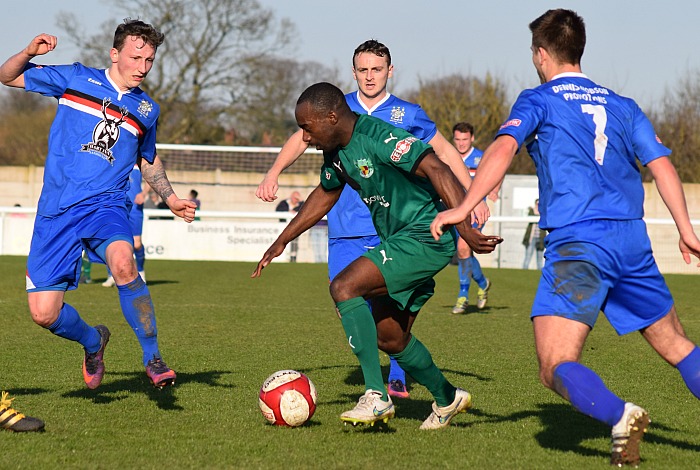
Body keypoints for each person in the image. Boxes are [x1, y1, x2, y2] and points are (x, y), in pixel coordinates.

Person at [430, 9, 700, 466]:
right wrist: (686, 230)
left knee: (555, 363)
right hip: (631, 240)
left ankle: (621, 415)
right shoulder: (623, 103)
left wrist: (462, 204)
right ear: (580, 50)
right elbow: (662, 166)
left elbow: (502, 148)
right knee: (678, 346)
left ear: (540, 54)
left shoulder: (539, 99)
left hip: (579, 243)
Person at [253, 82, 502, 428]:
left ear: (331, 116)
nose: (305, 136)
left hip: (425, 234)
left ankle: (375, 395)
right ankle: (447, 398)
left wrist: (462, 223)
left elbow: (437, 168)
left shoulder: (379, 136)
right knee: (390, 337)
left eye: (307, 127)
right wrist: (282, 240)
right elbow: (325, 194)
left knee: (344, 287)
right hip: (400, 238)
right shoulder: (336, 151)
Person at [0, 20, 197, 389]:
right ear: (114, 53)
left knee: (124, 264)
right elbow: (7, 77)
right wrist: (28, 53)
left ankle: (153, 358)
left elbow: (148, 159)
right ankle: (94, 341)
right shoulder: (76, 79)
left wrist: (170, 198)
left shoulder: (147, 109)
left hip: (104, 207)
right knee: (44, 314)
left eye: (150, 60)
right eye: (136, 57)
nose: (142, 67)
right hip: (56, 213)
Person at [450, 122, 499, 313]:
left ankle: (463, 295)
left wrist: (495, 188)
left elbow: (499, 168)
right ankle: (482, 282)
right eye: (457, 139)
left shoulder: (481, 157)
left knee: (463, 247)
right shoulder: (448, 157)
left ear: (472, 138)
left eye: (465, 139)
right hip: (453, 210)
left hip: (475, 211)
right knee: (464, 252)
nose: (461, 143)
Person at [102, 164, 150, 286]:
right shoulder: (114, 159)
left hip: (135, 206)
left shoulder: (139, 159)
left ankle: (140, 271)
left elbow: (151, 178)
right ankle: (111, 275)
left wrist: (143, 194)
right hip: (116, 205)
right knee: (111, 241)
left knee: (137, 244)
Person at [522, 199, 545, 270]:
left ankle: (539, 272)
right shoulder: (532, 211)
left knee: (540, 258)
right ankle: (524, 271)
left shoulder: (543, 212)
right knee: (528, 256)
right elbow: (530, 217)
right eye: (537, 204)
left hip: (540, 239)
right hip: (532, 238)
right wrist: (534, 209)